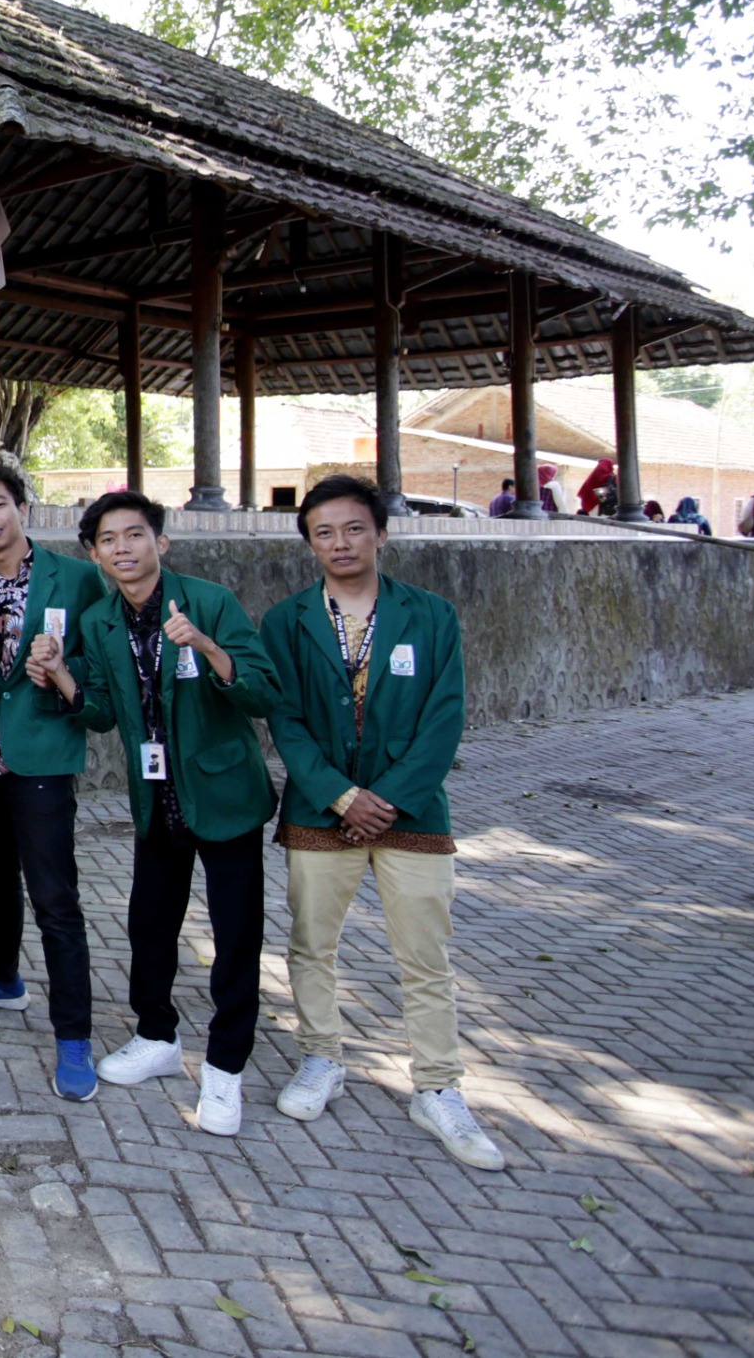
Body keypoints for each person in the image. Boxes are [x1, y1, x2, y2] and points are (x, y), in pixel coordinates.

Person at [260, 475, 503, 1171]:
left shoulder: (430, 615)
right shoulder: (287, 621)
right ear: (310, 543)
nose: (340, 542)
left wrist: (387, 798)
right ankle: (320, 1058)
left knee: (425, 956)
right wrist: (340, 796)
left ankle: (438, 1085)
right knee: (311, 945)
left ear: (381, 533)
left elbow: (444, 717)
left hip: (413, 809)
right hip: (320, 807)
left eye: (353, 528)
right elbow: (287, 721)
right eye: (325, 533)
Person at [42, 489, 277, 1136]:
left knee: (235, 936)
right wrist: (63, 675)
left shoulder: (208, 601)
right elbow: (101, 714)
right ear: (94, 554)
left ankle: (226, 1068)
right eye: (108, 541)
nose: (123, 548)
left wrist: (204, 645)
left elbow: (259, 691)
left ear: (161, 542)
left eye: (134, 535)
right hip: (156, 797)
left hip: (224, 794)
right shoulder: (101, 622)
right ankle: (156, 1035)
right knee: (149, 923)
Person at [0, 461, 109, 1101]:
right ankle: (0, 975)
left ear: (24, 508)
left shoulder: (79, 580)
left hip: (43, 754)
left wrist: (64, 670)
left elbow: (98, 672)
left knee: (56, 899)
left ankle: (74, 1038)